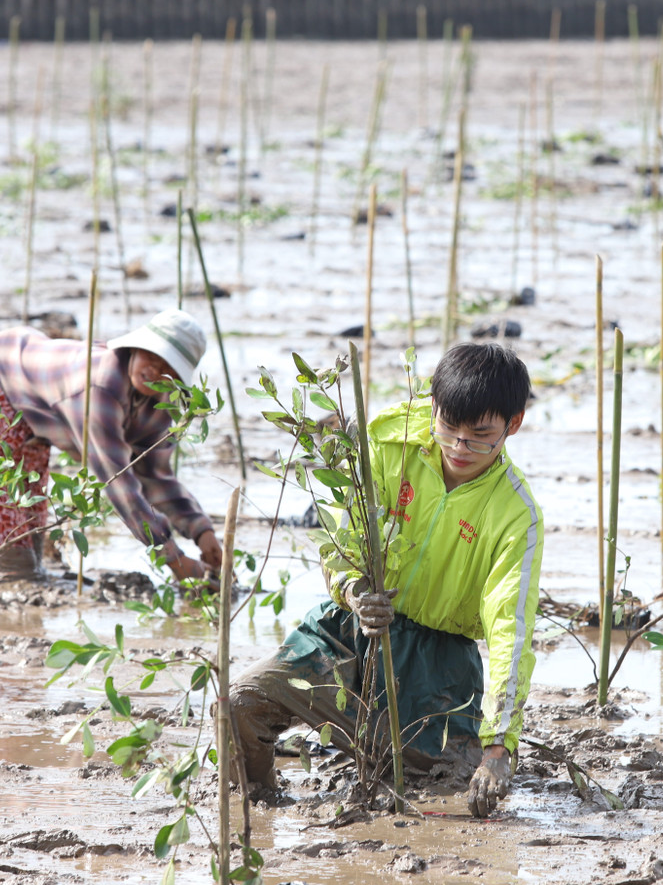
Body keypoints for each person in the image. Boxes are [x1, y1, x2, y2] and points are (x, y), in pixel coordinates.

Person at [227, 343, 543, 817]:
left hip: (439, 663)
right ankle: (259, 810)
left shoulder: (517, 515)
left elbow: (509, 631)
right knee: (240, 704)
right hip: (350, 630)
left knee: (448, 784)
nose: (459, 447)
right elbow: (340, 540)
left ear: (513, 425)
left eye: (480, 436)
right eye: (448, 428)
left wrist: (499, 746)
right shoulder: (386, 443)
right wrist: (353, 590)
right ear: (433, 407)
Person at [0, 309, 222, 582]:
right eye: (151, 357)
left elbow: (155, 476)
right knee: (8, 556)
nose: (154, 370)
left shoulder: (160, 406)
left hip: (32, 425)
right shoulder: (98, 388)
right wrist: (174, 559)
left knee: (27, 532)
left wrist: (201, 531)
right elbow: (118, 482)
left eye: (167, 369)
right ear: (135, 348)